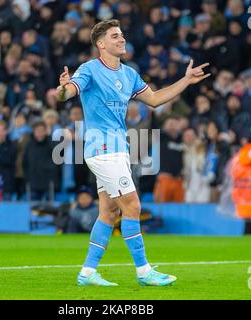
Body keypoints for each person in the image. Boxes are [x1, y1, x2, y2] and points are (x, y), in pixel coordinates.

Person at [56, 19, 210, 286]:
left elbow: (155, 99)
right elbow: (67, 93)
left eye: (122, 35)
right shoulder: (90, 69)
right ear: (101, 44)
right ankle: (143, 271)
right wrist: (62, 89)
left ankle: (87, 272)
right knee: (133, 205)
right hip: (102, 149)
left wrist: (185, 81)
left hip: (119, 150)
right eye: (115, 36)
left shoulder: (129, 74)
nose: (122, 39)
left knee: (108, 213)